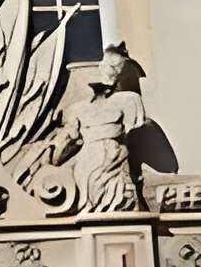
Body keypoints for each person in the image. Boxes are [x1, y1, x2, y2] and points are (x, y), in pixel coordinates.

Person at [53, 44, 149, 215]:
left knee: (120, 206)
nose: (111, 70)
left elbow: (132, 133)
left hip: (113, 161)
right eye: (107, 65)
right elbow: (67, 143)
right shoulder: (78, 108)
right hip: (86, 164)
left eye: (116, 67)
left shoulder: (129, 100)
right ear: (100, 67)